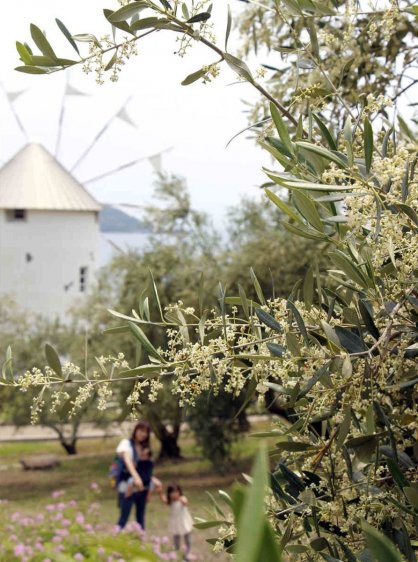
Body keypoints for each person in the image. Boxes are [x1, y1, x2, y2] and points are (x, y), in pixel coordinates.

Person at [115, 421, 161, 530]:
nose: (143, 434)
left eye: (146, 432)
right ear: (135, 431)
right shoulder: (126, 443)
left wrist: (153, 480)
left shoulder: (145, 448)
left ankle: (141, 541)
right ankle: (114, 538)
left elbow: (144, 469)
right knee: (124, 516)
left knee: (140, 516)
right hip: (128, 484)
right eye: (141, 431)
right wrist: (136, 478)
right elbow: (127, 461)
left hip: (142, 487)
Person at [160, 483, 194, 562]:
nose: (174, 494)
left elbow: (185, 502)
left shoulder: (182, 499)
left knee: (187, 538)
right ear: (169, 494)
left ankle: (187, 554)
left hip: (184, 522)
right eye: (172, 492)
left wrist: (182, 499)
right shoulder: (171, 502)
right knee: (176, 539)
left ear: (179, 492)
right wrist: (160, 492)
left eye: (176, 492)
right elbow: (164, 500)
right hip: (175, 523)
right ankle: (177, 553)